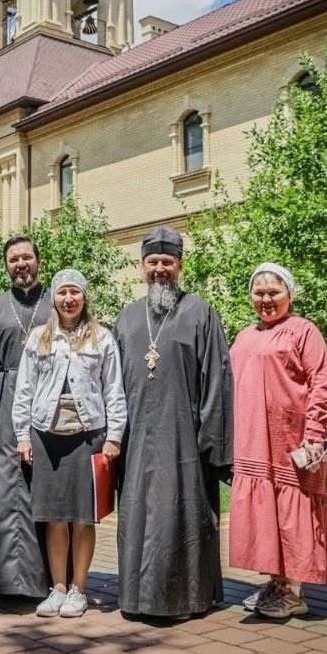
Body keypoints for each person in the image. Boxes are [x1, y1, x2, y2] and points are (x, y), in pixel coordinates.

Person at [113, 226, 233, 620]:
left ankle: (187, 599)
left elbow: (217, 378)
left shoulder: (201, 312)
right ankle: (137, 599)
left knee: (179, 515)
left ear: (180, 265)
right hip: (135, 441)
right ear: (142, 266)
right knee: (138, 516)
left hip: (184, 441)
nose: (160, 270)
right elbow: (110, 384)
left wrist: (211, 442)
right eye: (153, 262)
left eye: (168, 262)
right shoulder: (127, 318)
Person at [228, 263, 327, 618]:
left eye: (273, 292)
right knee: (268, 517)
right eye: (258, 292)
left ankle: (294, 592)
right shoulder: (245, 336)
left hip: (292, 439)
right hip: (254, 442)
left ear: (289, 294)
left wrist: (315, 434)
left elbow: (321, 384)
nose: (265, 299)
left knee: (293, 515)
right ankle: (277, 583)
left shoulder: (304, 331)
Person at [13, 270, 126, 618]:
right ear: (54, 298)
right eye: (62, 292)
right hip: (46, 436)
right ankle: (58, 588)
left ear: (84, 297)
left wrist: (113, 437)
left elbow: (114, 390)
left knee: (83, 518)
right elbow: (24, 389)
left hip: (87, 435)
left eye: (74, 292)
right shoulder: (38, 338)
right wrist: (21, 434)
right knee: (54, 518)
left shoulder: (102, 338)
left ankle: (79, 588)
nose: (68, 299)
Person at [0, 235, 51, 602]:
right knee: (5, 497)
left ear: (38, 260)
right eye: (13, 260)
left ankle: (47, 581)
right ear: (7, 266)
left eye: (26, 258)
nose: (20, 265)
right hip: (5, 408)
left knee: (45, 493)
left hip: (49, 405)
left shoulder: (56, 303)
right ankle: (7, 585)